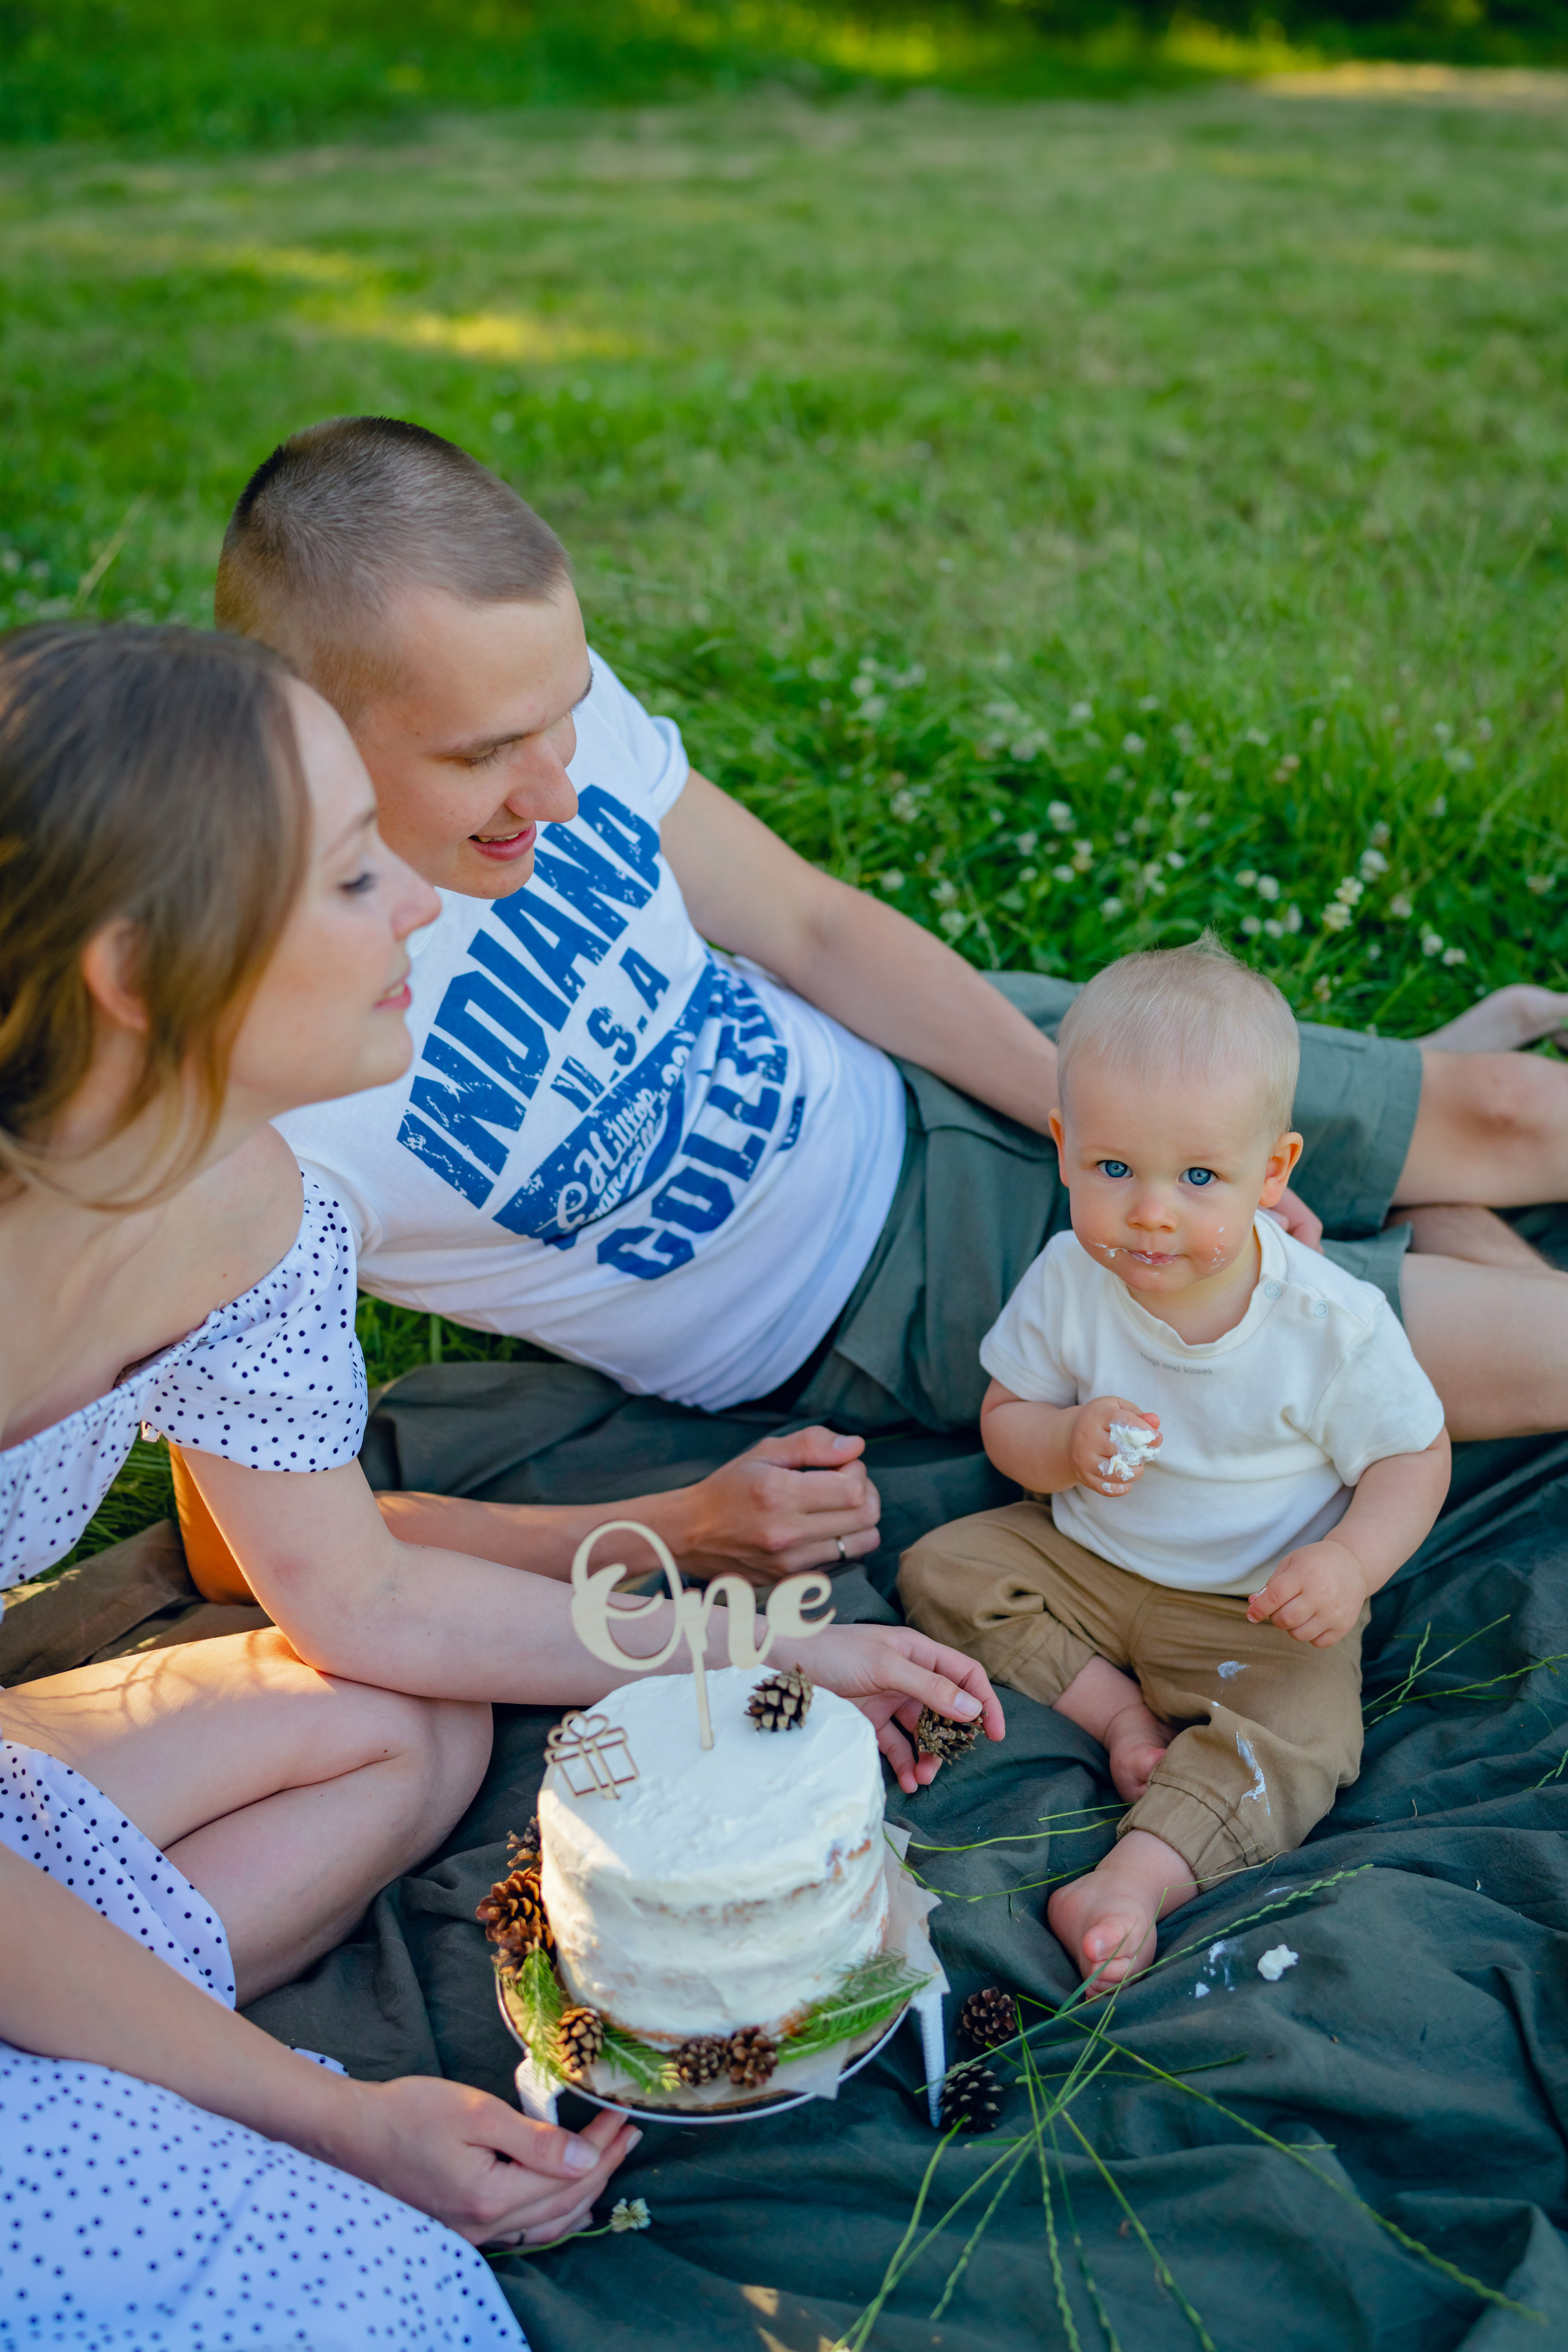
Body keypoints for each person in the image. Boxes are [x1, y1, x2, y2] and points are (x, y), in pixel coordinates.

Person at [0, 623, 1000, 2345]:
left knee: (410, 1723)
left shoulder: (249, 1214)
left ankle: (93, 2027)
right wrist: (327, 2113)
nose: (419, 906)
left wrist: (757, 1648)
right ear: (138, 975)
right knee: (368, 2296)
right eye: (344, 878)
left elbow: (358, 1601)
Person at [207, 418, 1567, 1589]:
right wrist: (672, 1526)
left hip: (935, 1060)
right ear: (295, 725)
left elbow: (810, 923)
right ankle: (1433, 1226)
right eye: (487, 754)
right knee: (1530, 1356)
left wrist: (1090, 1143)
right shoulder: (269, 1098)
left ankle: (1438, 1198)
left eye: (560, 716)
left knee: (1513, 1113)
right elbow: (251, 1551)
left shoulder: (515, 703)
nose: (558, 790)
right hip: (885, 1298)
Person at [898, 943, 1450, 1985]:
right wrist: (1061, 1443)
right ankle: (1119, 1717)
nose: (1151, 1211)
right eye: (1115, 1170)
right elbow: (1006, 1412)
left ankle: (1138, 1876)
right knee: (945, 1569)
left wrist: (1349, 1566)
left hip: (1255, 1602)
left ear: (1274, 1173)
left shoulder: (1327, 1323)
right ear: (1065, 1150)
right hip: (1092, 1559)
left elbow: (1415, 1456)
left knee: (1306, 1733)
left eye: (1199, 1177)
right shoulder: (1072, 1276)